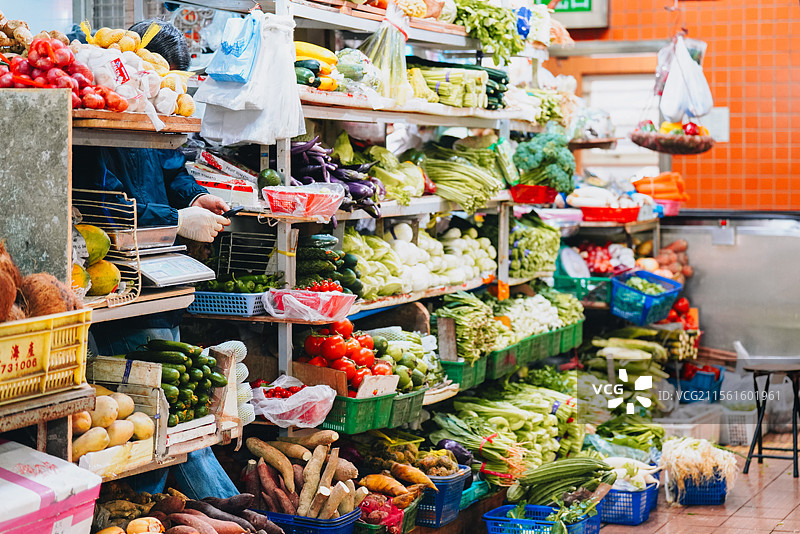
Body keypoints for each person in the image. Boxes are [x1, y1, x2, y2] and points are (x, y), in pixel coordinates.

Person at [75, 20, 238, 500]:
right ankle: (181, 507)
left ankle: (172, 508)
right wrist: (176, 218)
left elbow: (171, 166)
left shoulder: (154, 113)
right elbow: (103, 205)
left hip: (162, 275)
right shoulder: (103, 112)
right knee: (150, 419)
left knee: (177, 413)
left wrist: (197, 197)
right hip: (120, 278)